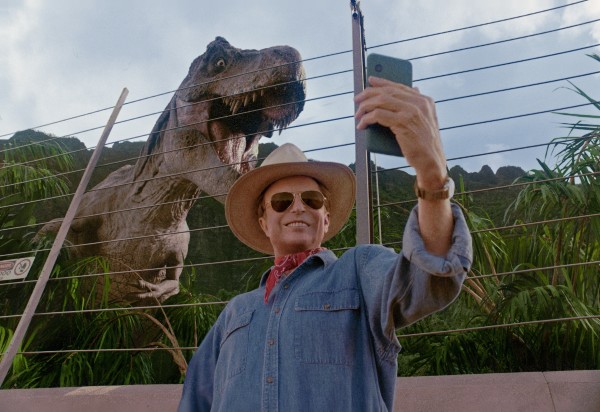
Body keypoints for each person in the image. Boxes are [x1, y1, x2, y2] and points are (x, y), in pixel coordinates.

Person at [178, 77, 473, 411]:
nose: (298, 208)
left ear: (326, 218)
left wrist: (431, 174)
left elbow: (429, 275)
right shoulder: (234, 313)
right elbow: (195, 402)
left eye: (312, 200)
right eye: (282, 202)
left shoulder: (360, 271)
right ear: (263, 222)